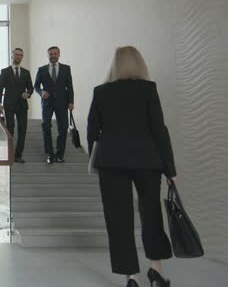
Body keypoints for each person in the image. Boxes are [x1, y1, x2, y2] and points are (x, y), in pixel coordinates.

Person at [87, 46, 176, 287]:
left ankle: (131, 277)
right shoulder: (148, 89)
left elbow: (92, 131)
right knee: (152, 214)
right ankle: (156, 270)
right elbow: (159, 130)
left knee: (118, 219)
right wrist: (170, 170)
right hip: (147, 161)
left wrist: (98, 157)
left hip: (111, 162)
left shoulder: (101, 92)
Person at [34, 46, 74, 164]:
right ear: (48, 55)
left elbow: (70, 87)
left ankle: (59, 155)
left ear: (59, 54)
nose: (53, 55)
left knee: (63, 128)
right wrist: (41, 92)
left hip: (62, 103)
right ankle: (49, 155)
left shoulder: (66, 68)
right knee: (46, 126)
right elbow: (36, 86)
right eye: (50, 54)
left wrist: (71, 102)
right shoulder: (41, 70)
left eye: (55, 53)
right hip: (47, 103)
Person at [0, 48, 34, 163]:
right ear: (12, 56)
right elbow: (0, 88)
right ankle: (10, 154)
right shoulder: (5, 71)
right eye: (16, 55)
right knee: (10, 129)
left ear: (22, 57)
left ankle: (18, 155)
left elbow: (31, 88)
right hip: (9, 105)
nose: (18, 57)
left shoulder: (26, 72)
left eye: (21, 55)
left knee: (22, 130)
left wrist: (28, 93)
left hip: (22, 105)